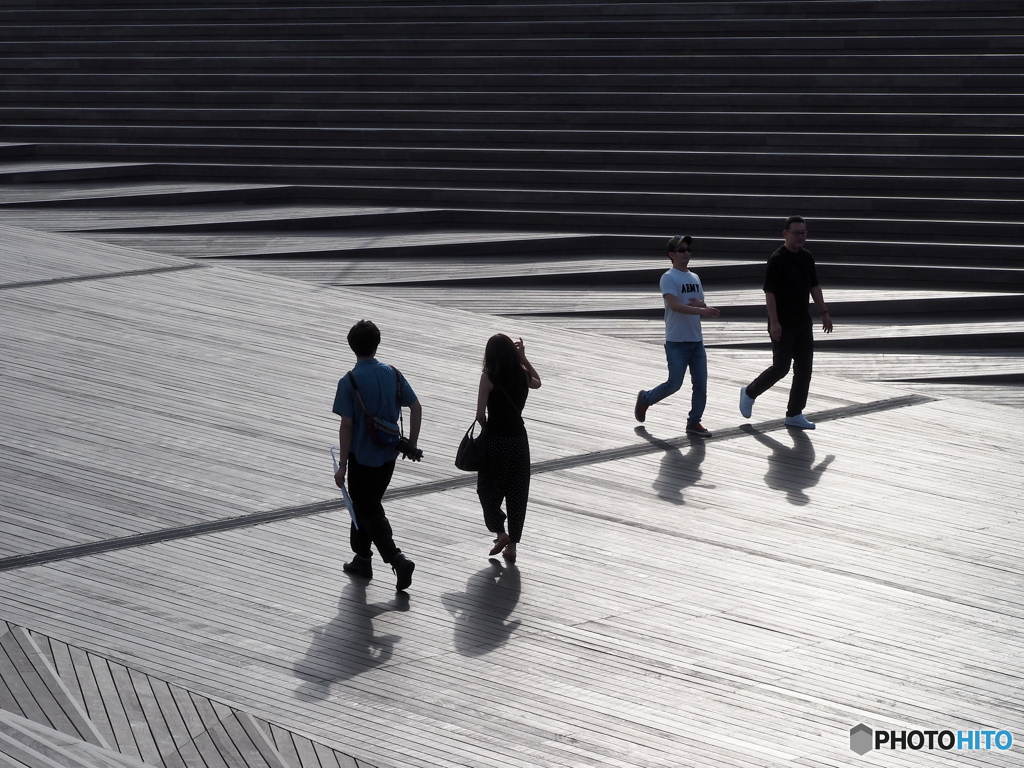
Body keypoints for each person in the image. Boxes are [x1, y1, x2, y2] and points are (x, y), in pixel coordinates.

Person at [333, 319, 421, 590]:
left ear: (352, 346)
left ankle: (397, 559)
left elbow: (347, 425)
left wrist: (343, 465)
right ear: (377, 343)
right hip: (388, 456)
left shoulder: (349, 381)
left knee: (368, 509)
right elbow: (416, 407)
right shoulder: (392, 373)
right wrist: (411, 443)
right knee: (365, 505)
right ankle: (361, 558)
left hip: (363, 458)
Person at [739, 216, 834, 429]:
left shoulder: (807, 257)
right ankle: (749, 392)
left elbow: (814, 286)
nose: (800, 236)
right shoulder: (777, 259)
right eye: (796, 232)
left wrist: (824, 312)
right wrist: (774, 323)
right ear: (785, 234)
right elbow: (769, 293)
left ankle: (794, 413)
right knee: (781, 367)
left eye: (804, 232)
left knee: (804, 369)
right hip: (782, 323)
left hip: (802, 322)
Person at [634, 234, 720, 435]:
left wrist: (703, 305)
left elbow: (697, 303)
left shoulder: (695, 277)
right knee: (674, 384)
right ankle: (646, 398)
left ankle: (694, 422)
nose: (686, 253)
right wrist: (702, 311)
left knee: (701, 385)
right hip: (677, 341)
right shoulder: (668, 277)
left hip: (696, 341)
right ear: (671, 255)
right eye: (681, 250)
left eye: (688, 249)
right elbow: (675, 306)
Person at [476, 334, 541, 564]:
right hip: (519, 440)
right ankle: (511, 548)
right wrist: (523, 358)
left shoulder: (488, 376)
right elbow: (538, 381)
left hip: (496, 439)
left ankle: (500, 533)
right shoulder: (522, 375)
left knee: (487, 489)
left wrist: (485, 432)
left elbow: (479, 415)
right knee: (517, 491)